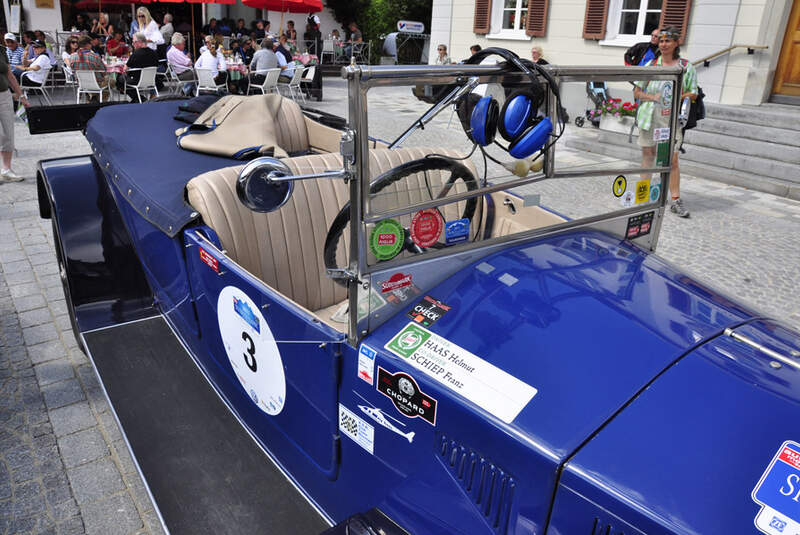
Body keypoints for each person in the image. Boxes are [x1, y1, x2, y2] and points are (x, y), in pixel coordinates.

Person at [633, 26, 697, 218]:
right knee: (648, 155)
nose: (663, 44)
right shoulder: (651, 64)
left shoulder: (685, 67)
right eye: (661, 41)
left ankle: (675, 200)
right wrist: (654, 98)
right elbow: (637, 92)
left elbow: (693, 93)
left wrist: (674, 97)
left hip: (670, 120)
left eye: (668, 41)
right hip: (649, 117)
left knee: (672, 159)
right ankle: (642, 196)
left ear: (677, 43)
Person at [0, 42, 28, 181]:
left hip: (4, 94)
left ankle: (6, 169)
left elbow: (9, 74)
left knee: (7, 133)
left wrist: (21, 95)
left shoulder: (1, 50)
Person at [117, 32, 159, 101]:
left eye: (134, 42)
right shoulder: (154, 53)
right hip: (152, 80)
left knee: (119, 78)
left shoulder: (136, 54)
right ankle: (139, 98)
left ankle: (139, 98)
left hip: (136, 80)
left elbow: (125, 69)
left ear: (139, 42)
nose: (133, 44)